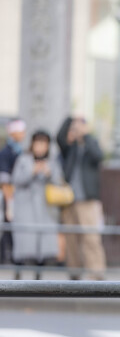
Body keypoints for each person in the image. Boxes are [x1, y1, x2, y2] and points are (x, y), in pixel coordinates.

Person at [56, 115, 106, 280]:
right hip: (69, 200)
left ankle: (96, 274)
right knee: (71, 238)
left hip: (87, 200)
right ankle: (74, 273)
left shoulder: (91, 143)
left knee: (91, 238)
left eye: (80, 126)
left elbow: (98, 156)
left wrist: (85, 135)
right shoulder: (70, 147)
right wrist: (70, 119)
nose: (77, 130)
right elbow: (59, 138)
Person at [11, 130, 63, 279]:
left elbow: (59, 181)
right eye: (37, 143)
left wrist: (49, 173)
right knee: (23, 241)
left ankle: (38, 277)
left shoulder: (52, 162)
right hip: (25, 208)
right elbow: (16, 180)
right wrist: (32, 171)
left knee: (41, 244)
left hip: (45, 209)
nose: (40, 147)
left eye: (43, 144)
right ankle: (17, 274)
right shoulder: (23, 159)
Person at [0, 119, 26, 264]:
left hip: (19, 196)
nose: (23, 134)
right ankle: (6, 257)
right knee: (8, 225)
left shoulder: (20, 150)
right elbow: (4, 180)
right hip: (10, 195)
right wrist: (9, 199)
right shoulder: (6, 152)